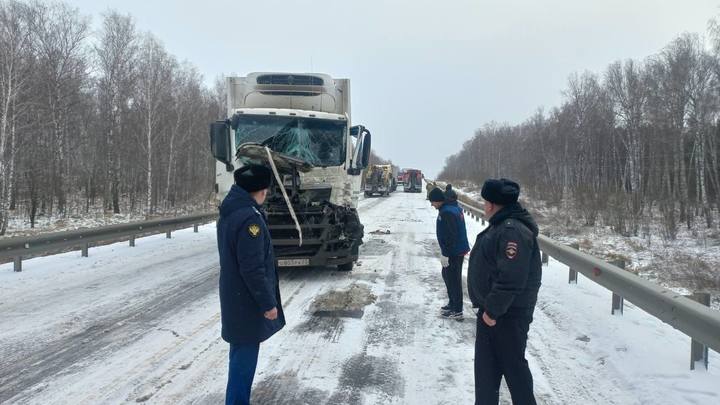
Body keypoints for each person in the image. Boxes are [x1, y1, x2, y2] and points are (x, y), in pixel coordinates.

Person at [467, 178, 542, 405]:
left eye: (485, 202)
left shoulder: (513, 231)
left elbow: (511, 278)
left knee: (514, 372)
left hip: (506, 316)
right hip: (494, 314)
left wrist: (492, 312)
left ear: (491, 204)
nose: (483, 206)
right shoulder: (503, 225)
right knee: (486, 375)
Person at [217, 164, 286, 405]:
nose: (266, 194)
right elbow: (253, 268)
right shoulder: (249, 219)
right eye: (265, 190)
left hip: (235, 296)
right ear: (260, 190)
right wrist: (268, 303)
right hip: (246, 301)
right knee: (243, 362)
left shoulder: (231, 211)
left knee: (239, 355)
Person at [429, 186, 470, 321]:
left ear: (438, 200)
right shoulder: (452, 207)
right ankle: (452, 304)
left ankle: (457, 310)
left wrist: (446, 254)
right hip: (456, 250)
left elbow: (451, 236)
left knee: (453, 280)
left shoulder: (447, 212)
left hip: (454, 252)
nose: (432, 205)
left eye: (433, 202)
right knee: (447, 276)